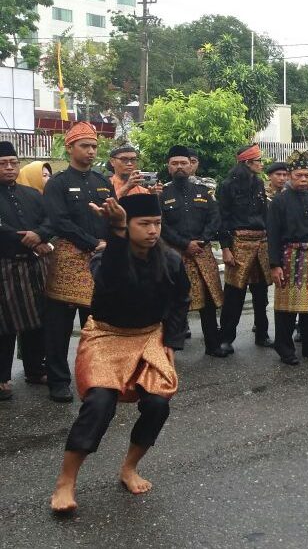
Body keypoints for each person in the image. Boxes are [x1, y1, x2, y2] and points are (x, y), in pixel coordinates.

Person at [49, 193, 190, 513]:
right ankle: (66, 481)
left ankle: (129, 468)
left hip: (149, 337)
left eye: (157, 223)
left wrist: (171, 339)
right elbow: (111, 280)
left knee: (157, 404)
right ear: (127, 225)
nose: (153, 230)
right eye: (144, 224)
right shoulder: (105, 257)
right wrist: (113, 233)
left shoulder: (170, 260)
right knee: (100, 402)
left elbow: (181, 299)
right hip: (106, 336)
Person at [42, 122, 114, 403]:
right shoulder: (57, 183)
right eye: (84, 145)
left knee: (96, 323)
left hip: (101, 259)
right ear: (70, 147)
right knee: (59, 325)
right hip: (68, 258)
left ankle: (94, 377)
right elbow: (59, 221)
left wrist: (111, 244)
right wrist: (92, 242)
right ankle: (58, 381)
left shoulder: (102, 182)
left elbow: (113, 215)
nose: (90, 151)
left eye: (94, 146)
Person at [267, 152, 308, 365]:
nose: (303, 179)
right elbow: (274, 236)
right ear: (289, 176)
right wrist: (275, 265)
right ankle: (285, 349)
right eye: (299, 175)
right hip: (291, 257)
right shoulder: (279, 202)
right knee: (288, 307)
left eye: (306, 175)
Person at [159, 145, 225, 357]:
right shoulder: (161, 195)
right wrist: (184, 244)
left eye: (183, 163)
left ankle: (213, 346)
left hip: (202, 253)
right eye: (175, 163)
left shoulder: (204, 192)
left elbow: (215, 218)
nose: (179, 167)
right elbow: (161, 225)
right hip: (175, 255)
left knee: (208, 302)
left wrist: (202, 241)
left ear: (191, 166)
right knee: (173, 303)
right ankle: (169, 350)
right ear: (168, 167)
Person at [0, 141, 52, 400]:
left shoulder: (31, 194)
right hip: (5, 267)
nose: (9, 167)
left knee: (37, 319)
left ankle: (34, 369)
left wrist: (40, 234)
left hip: (35, 267)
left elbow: (50, 219)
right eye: (2, 163)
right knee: (4, 325)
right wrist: (29, 239)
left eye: (13, 162)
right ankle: (1, 378)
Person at [216, 144, 274, 355]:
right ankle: (226, 338)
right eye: (258, 161)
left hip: (260, 242)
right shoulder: (227, 185)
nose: (261, 164)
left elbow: (264, 214)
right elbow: (222, 217)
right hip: (238, 242)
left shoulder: (259, 183)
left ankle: (262, 333)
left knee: (261, 293)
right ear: (248, 163)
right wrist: (225, 248)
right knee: (234, 294)